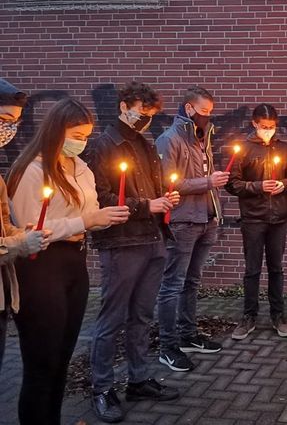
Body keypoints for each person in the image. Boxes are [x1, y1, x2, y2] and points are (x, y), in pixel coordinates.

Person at [7, 98, 130, 425]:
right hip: (40, 267)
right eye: (76, 134)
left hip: (75, 264)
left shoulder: (81, 168)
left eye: (87, 135)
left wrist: (103, 218)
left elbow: (85, 213)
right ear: (55, 131)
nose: (82, 142)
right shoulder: (30, 170)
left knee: (61, 359)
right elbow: (28, 228)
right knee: (41, 364)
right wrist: (86, 222)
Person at [85, 82, 180, 423]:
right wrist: (146, 205)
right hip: (121, 242)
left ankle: (138, 379)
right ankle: (102, 387)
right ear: (125, 105)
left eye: (150, 116)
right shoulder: (102, 145)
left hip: (152, 238)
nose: (145, 120)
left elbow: (152, 190)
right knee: (111, 319)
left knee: (142, 316)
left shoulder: (146, 142)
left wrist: (165, 199)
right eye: (141, 113)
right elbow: (98, 198)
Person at [155, 87, 228, 372]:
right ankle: (167, 346)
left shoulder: (202, 138)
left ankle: (188, 335)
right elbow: (168, 185)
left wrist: (213, 194)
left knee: (192, 282)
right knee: (172, 285)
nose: (207, 117)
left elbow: (203, 176)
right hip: (183, 222)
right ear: (189, 109)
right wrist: (209, 182)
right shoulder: (169, 139)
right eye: (204, 112)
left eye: (210, 112)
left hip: (206, 219)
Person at [226, 104, 287, 340]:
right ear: (254, 124)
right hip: (253, 217)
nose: (268, 130)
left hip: (279, 216)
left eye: (272, 127)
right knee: (252, 269)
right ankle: (249, 316)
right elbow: (232, 183)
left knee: (276, 268)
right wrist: (258, 187)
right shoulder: (243, 150)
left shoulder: (285, 148)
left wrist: (284, 184)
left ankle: (278, 315)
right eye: (264, 126)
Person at [0, 79, 48, 373]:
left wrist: (22, 232)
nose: (9, 131)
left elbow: (4, 223)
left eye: (14, 123)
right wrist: (21, 244)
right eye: (4, 120)